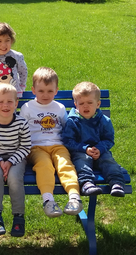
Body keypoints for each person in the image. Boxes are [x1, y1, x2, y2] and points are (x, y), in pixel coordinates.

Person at [20, 67, 83, 218]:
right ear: (33, 90)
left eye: (50, 91)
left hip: (58, 145)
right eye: (41, 91)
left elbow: (68, 128)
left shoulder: (59, 108)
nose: (45, 95)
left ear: (56, 90)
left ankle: (74, 197)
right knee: (45, 166)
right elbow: (20, 130)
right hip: (36, 147)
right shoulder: (27, 108)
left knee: (65, 164)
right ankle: (48, 200)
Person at [0, 83, 31, 237]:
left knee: (14, 177)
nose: (5, 105)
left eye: (10, 102)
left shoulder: (21, 123)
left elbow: (26, 147)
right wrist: (0, 161)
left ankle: (18, 216)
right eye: (0, 102)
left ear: (16, 103)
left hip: (17, 157)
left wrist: (10, 162)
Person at [61, 81, 126, 197]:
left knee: (108, 160)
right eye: (81, 103)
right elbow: (68, 141)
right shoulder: (72, 121)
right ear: (75, 104)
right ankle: (87, 183)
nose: (85, 106)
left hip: (99, 151)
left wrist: (100, 149)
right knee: (82, 161)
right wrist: (85, 148)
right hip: (80, 151)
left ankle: (116, 183)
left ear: (98, 104)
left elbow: (109, 139)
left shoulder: (104, 121)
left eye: (90, 103)